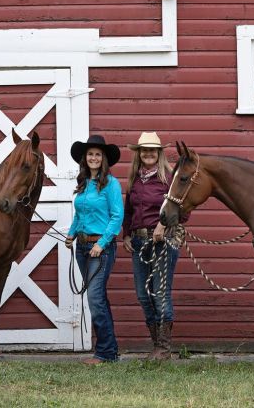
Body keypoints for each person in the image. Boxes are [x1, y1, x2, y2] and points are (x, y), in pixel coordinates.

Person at [123, 132, 186, 360]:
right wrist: (126, 235)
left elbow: (182, 211)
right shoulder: (134, 180)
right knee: (143, 294)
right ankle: (156, 344)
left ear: (159, 153)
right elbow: (128, 211)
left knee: (160, 293)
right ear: (138, 154)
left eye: (153, 150)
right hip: (139, 242)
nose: (148, 153)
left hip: (162, 242)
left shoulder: (169, 179)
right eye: (144, 150)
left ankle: (164, 349)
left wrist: (162, 224)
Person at [65, 134, 124, 365]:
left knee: (95, 299)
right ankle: (111, 351)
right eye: (90, 154)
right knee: (100, 299)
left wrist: (102, 244)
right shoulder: (83, 184)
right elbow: (80, 214)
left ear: (104, 158)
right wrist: (71, 234)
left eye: (98, 154)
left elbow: (117, 216)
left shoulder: (111, 183)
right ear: (84, 158)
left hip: (101, 248)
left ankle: (105, 353)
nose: (94, 158)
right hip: (81, 246)